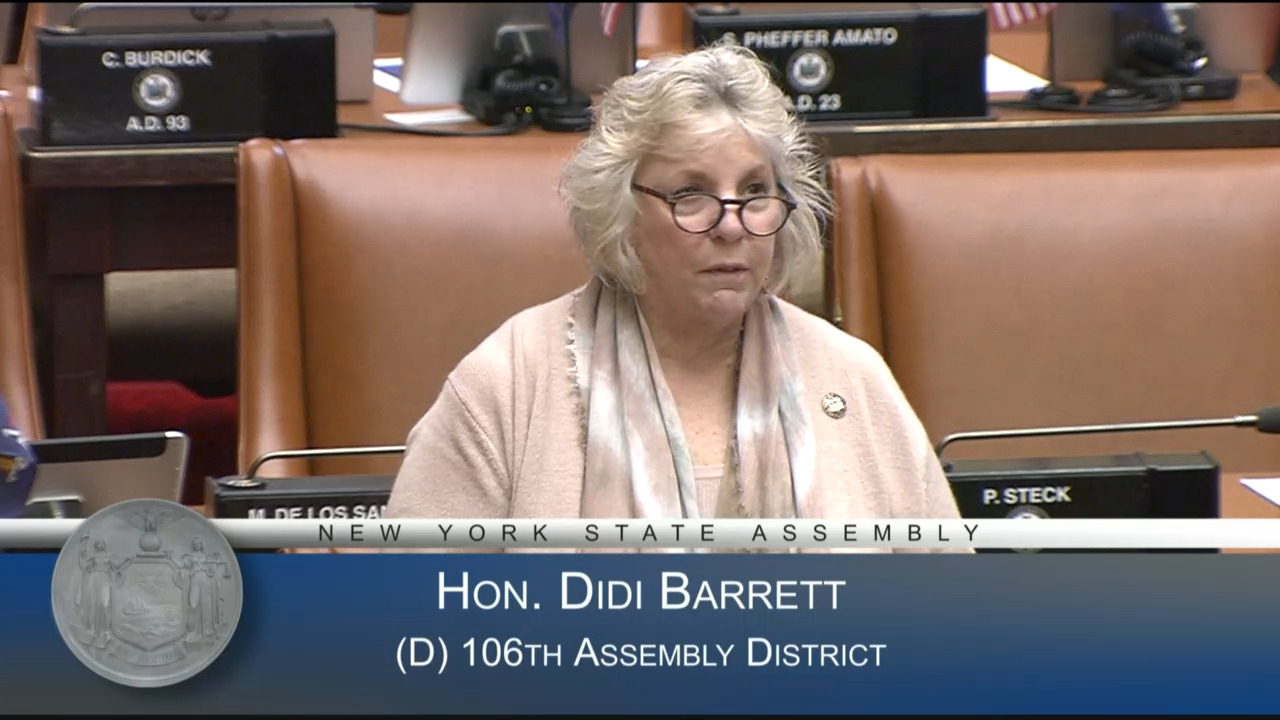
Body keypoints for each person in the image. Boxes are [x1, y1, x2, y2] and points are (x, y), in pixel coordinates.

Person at [385, 44, 966, 548]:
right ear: (620, 213)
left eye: (755, 192)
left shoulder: (854, 379)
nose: (732, 225)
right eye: (691, 194)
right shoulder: (508, 384)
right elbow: (410, 613)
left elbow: (947, 615)